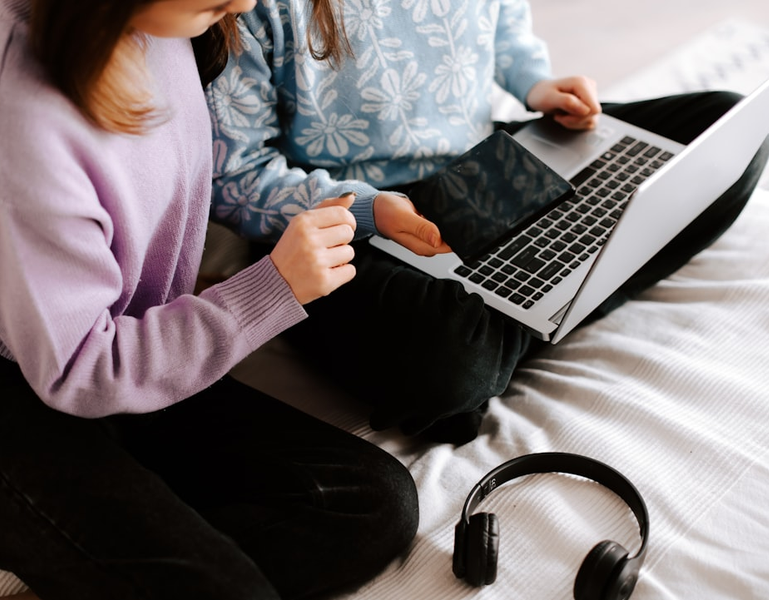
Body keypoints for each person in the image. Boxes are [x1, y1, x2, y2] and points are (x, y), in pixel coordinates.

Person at [0, 1, 419, 599]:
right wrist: (271, 289)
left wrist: (357, 209)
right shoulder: (21, 121)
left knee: (371, 506)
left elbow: (217, 179)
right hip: (10, 378)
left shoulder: (163, 25)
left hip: (128, 345)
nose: (248, 4)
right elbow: (83, 369)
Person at [206, 0, 769, 444]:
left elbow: (502, 24)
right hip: (350, 218)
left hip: (487, 160)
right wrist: (366, 208)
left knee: (728, 128)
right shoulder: (249, 5)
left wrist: (534, 82)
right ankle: (553, 294)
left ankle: (531, 311)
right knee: (450, 360)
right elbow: (235, 176)